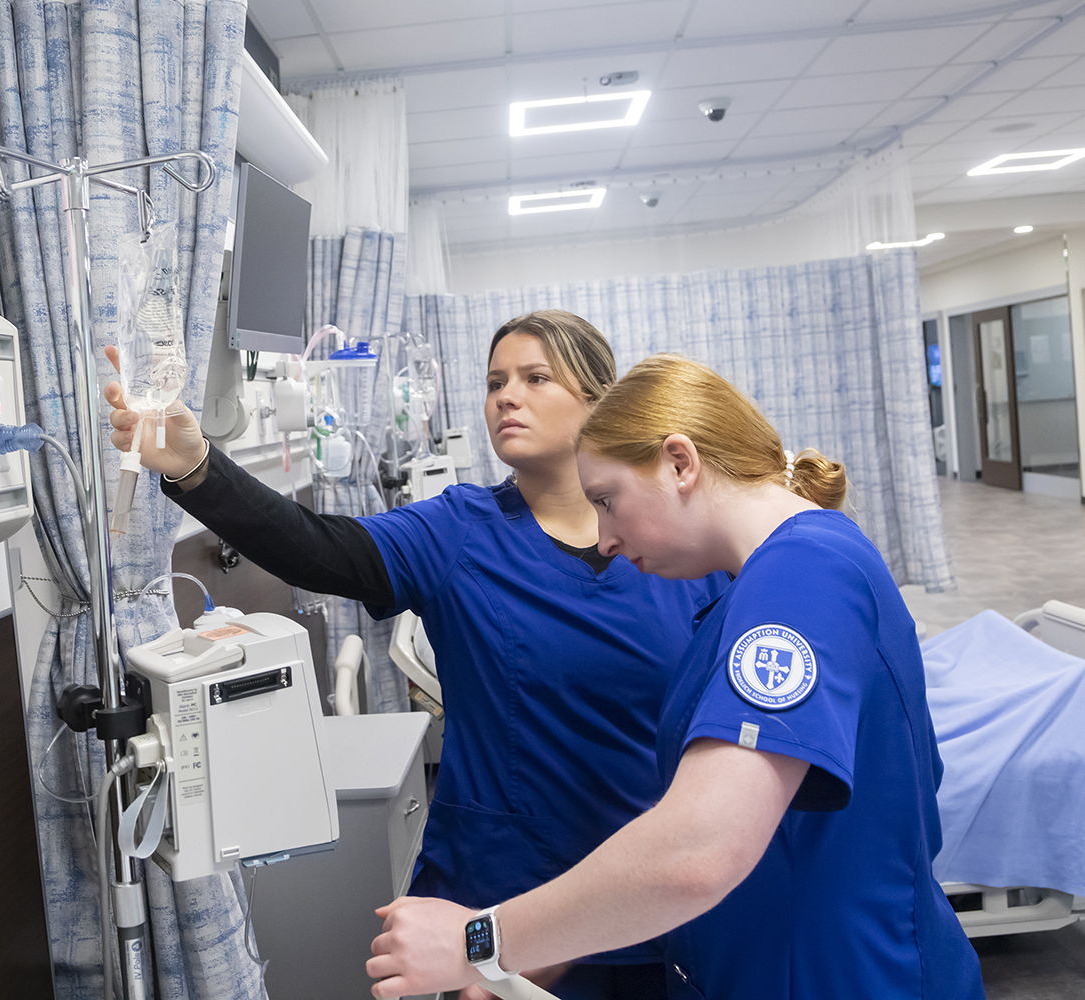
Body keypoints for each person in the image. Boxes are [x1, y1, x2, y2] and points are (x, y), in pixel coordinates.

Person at [105, 312, 725, 1000]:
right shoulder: (460, 531)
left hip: (651, 912)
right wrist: (198, 468)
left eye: (535, 377)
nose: (504, 397)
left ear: (599, 399)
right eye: (494, 382)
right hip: (495, 912)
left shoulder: (682, 549)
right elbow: (317, 547)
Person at [366, 354, 984, 1000]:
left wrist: (480, 943)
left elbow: (702, 846)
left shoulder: (805, 575)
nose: (603, 538)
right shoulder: (740, 600)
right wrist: (549, 949)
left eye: (606, 501)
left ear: (680, 463)